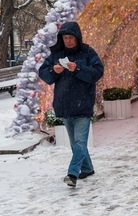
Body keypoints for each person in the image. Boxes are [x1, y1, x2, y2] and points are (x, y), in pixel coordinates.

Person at [39, 21, 104, 188]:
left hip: (83, 105)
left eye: (71, 37)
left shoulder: (87, 52)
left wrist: (78, 69)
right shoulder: (56, 54)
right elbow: (44, 73)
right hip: (64, 105)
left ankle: (72, 174)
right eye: (65, 37)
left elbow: (97, 72)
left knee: (80, 143)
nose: (68, 41)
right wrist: (54, 70)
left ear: (77, 38)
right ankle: (87, 168)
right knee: (76, 143)